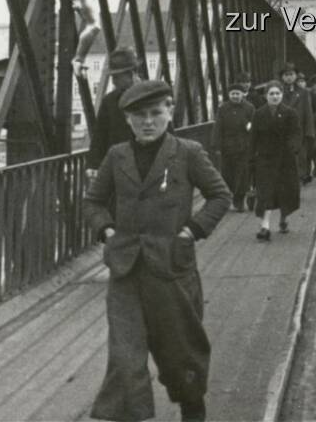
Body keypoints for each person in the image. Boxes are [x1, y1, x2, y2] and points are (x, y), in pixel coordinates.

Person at [84, 79, 230, 422]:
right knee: (125, 357)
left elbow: (220, 195)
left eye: (155, 113)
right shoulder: (116, 155)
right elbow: (93, 201)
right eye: (138, 116)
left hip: (171, 268)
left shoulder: (188, 152)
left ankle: (192, 407)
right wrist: (106, 229)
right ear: (128, 120)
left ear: (169, 112)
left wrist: (191, 231)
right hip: (126, 269)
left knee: (181, 351)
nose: (147, 121)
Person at [248, 80, 302, 241]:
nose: (275, 96)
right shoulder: (259, 114)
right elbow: (253, 138)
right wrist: (251, 157)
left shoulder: (290, 113)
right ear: (266, 96)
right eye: (271, 94)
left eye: (278, 93)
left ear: (282, 95)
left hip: (285, 159)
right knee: (265, 192)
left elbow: (296, 134)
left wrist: (293, 147)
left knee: (285, 191)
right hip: (265, 159)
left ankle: (283, 218)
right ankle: (265, 226)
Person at [89, 47, 142, 174]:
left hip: (145, 168)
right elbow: (99, 137)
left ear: (132, 73)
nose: (113, 81)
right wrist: (93, 166)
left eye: (117, 76)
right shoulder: (109, 101)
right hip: (117, 168)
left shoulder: (152, 99)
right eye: (112, 76)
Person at [211, 82, 256, 212]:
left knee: (242, 174)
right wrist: (216, 145)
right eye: (233, 94)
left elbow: (255, 124)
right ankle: (233, 196)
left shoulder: (249, 108)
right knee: (228, 174)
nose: (235, 96)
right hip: (227, 147)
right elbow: (218, 127)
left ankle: (239, 199)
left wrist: (251, 128)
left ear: (243, 94)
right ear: (229, 95)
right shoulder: (223, 108)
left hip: (244, 147)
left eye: (237, 93)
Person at [283, 67, 316, 185]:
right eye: (286, 75)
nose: (288, 77)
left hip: (299, 131)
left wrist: (309, 132)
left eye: (291, 74)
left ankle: (297, 183)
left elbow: (308, 113)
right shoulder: (278, 91)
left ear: (295, 76)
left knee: (299, 159)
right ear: (282, 77)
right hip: (282, 132)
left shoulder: (303, 92)